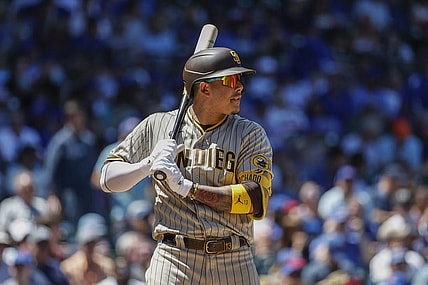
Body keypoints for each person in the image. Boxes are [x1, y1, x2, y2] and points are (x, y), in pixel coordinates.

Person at [100, 46, 274, 285]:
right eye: (231, 79)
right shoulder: (158, 125)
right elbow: (107, 178)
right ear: (204, 88)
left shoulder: (249, 133)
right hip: (174, 257)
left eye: (240, 79)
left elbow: (254, 199)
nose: (240, 87)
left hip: (233, 258)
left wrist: (188, 188)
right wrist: (147, 165)